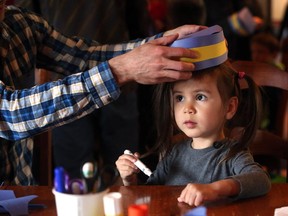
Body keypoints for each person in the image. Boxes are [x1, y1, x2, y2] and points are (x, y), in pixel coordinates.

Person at [0, 2, 204, 185]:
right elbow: (10, 115)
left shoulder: (18, 24)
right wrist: (121, 70)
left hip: (21, 194)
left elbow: (83, 56)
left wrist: (165, 43)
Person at [15, 0, 152, 179]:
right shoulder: (16, 22)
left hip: (116, 72)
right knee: (77, 175)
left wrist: (147, 50)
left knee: (125, 170)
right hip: (67, 88)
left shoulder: (17, 22)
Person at [116, 60, 271, 206]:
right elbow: (151, 192)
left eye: (200, 97)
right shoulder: (173, 153)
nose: (187, 108)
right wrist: (130, 179)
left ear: (229, 108)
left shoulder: (233, 154)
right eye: (180, 98)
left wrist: (215, 189)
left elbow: (261, 180)